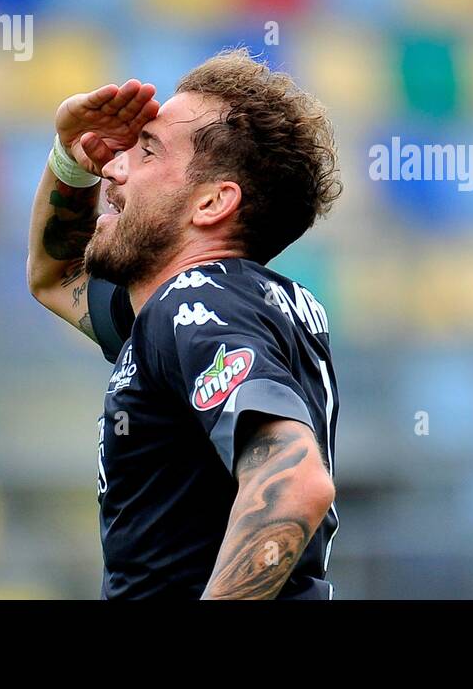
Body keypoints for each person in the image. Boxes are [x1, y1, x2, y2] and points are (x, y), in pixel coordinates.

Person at [27, 49, 342, 599]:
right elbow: (56, 275)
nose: (114, 166)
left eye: (146, 151)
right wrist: (70, 161)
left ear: (213, 202)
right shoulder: (196, 308)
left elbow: (292, 483)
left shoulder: (196, 305)